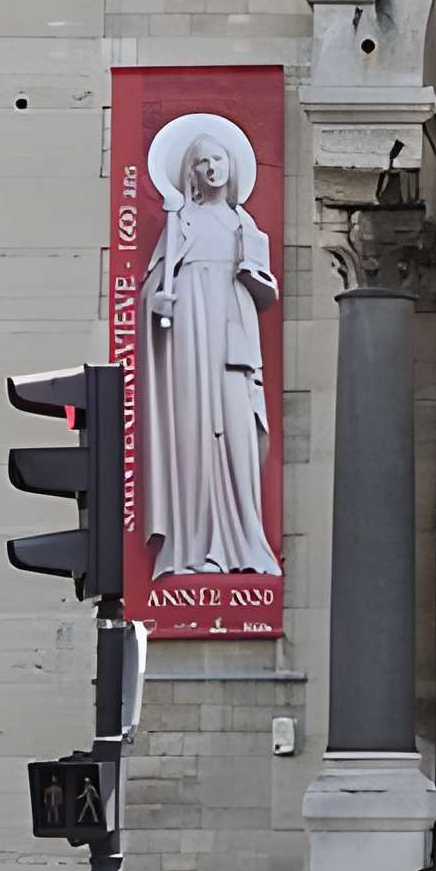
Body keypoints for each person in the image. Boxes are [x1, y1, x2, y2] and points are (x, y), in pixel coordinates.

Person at [139, 130, 281, 576]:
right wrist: (156, 302)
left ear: (231, 167)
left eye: (219, 159)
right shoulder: (179, 223)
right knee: (194, 432)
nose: (212, 168)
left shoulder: (244, 226)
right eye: (203, 163)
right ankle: (193, 546)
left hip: (233, 338)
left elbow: (267, 287)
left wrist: (252, 275)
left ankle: (242, 543)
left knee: (239, 430)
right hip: (190, 337)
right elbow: (152, 288)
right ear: (192, 173)